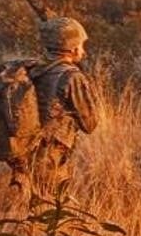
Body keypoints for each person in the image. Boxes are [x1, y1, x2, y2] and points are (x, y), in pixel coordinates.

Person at [9, 17, 100, 199]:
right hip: (50, 156)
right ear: (73, 47)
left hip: (21, 151)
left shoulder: (31, 69)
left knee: (27, 206)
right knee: (51, 209)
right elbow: (90, 124)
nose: (83, 50)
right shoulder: (72, 77)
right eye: (81, 45)